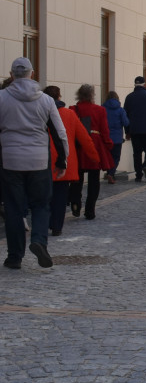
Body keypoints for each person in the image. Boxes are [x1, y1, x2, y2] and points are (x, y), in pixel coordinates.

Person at [0, 57, 67, 269]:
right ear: (32, 73)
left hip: (10, 160)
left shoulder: (1, 97)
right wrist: (62, 160)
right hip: (39, 160)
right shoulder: (46, 100)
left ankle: (14, 257)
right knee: (41, 205)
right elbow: (59, 132)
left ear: (11, 75)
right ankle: (39, 241)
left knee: (13, 209)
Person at [43, 86, 98, 236]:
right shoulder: (69, 114)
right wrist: (95, 157)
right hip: (63, 162)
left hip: (43, 161)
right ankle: (57, 226)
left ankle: (47, 222)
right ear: (59, 97)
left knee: (45, 195)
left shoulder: (39, 113)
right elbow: (84, 138)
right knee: (60, 196)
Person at [70, 84, 115, 219]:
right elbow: (104, 130)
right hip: (95, 144)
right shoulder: (100, 110)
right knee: (94, 179)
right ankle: (90, 210)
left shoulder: (73, 109)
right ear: (92, 95)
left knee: (76, 178)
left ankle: (76, 204)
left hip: (78, 144)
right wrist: (108, 144)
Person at [123, 76, 146, 182]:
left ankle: (138, 175)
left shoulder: (129, 97)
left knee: (137, 153)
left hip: (135, 131)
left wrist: (127, 131)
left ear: (134, 85)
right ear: (144, 84)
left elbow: (126, 115)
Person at [103, 90, 129, 183]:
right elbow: (126, 122)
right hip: (117, 138)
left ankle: (109, 172)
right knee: (116, 157)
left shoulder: (103, 109)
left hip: (106, 137)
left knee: (107, 157)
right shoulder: (120, 110)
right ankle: (111, 173)